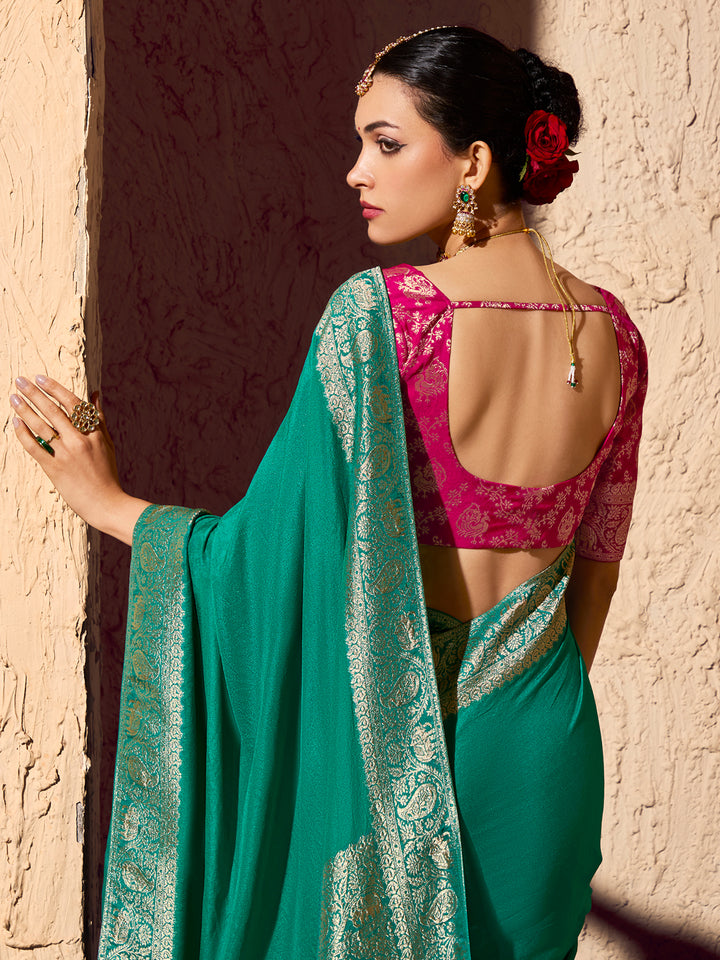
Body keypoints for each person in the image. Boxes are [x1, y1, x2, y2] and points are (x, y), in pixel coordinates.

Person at [9, 26, 647, 960]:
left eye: (385, 144)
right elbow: (595, 576)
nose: (357, 170)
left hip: (388, 751)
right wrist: (525, 711)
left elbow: (269, 552)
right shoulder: (617, 335)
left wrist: (114, 508)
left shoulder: (381, 319)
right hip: (546, 741)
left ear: (473, 160)